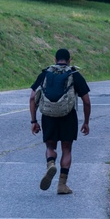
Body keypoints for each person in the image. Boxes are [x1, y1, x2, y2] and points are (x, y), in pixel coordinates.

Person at [29, 48, 90, 195]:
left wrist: (33, 121)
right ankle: (62, 185)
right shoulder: (74, 74)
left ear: (55, 60)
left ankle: (51, 163)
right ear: (69, 61)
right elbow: (86, 101)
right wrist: (86, 122)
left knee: (50, 146)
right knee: (67, 149)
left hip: (48, 115)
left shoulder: (45, 74)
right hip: (68, 116)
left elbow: (32, 98)